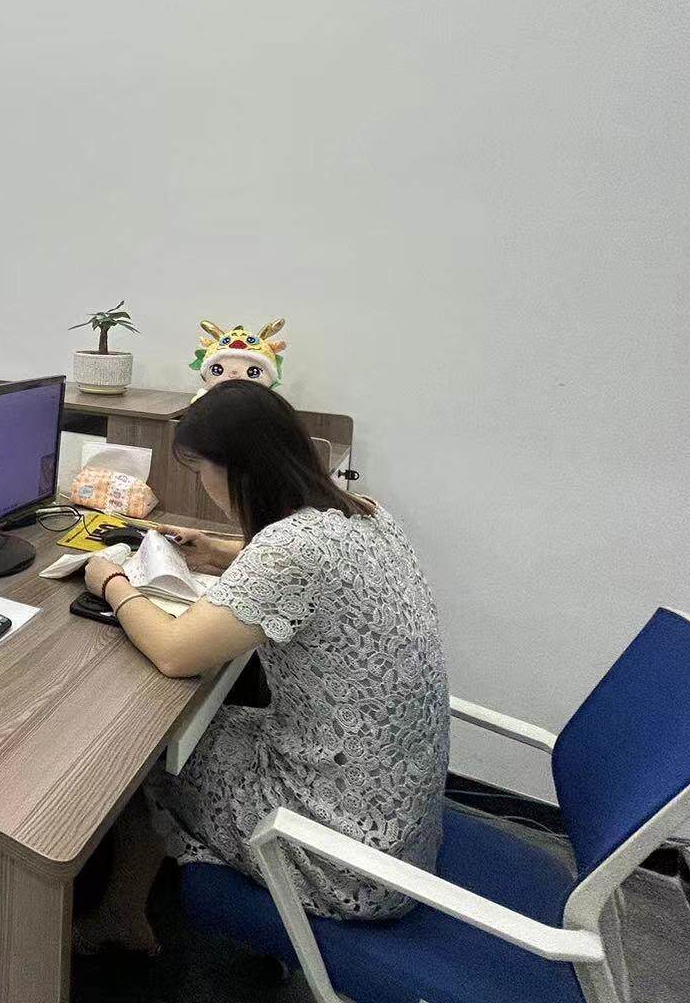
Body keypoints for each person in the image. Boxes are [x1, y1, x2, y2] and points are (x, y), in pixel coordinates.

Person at [74, 380, 448, 954]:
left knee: (145, 751)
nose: (203, 484)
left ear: (239, 470)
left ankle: (122, 916)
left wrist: (113, 583)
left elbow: (174, 651)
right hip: (397, 818)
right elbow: (306, 575)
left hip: (344, 856)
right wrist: (219, 551)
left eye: (201, 469)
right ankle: (137, 902)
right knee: (201, 723)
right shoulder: (366, 514)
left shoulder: (290, 551)